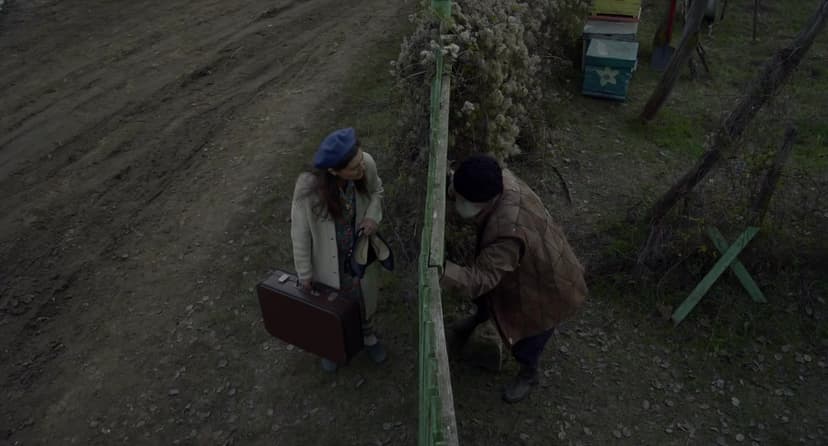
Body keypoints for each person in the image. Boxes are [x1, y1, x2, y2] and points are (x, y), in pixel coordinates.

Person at [440, 154, 588, 403]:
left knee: (528, 336)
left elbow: (482, 277)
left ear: (480, 203)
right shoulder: (500, 179)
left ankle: (529, 373)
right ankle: (479, 318)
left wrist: (443, 271)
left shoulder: (507, 234)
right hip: (532, 261)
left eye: (461, 197)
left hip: (545, 288)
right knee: (489, 299)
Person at [290, 127, 387, 371]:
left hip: (358, 256)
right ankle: (333, 344)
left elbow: (377, 190)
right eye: (354, 168)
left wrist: (373, 216)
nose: (361, 169)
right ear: (333, 171)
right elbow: (299, 233)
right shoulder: (308, 189)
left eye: (360, 161)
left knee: (362, 298)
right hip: (328, 261)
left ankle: (367, 335)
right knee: (333, 303)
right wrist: (304, 273)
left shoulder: (366, 164)